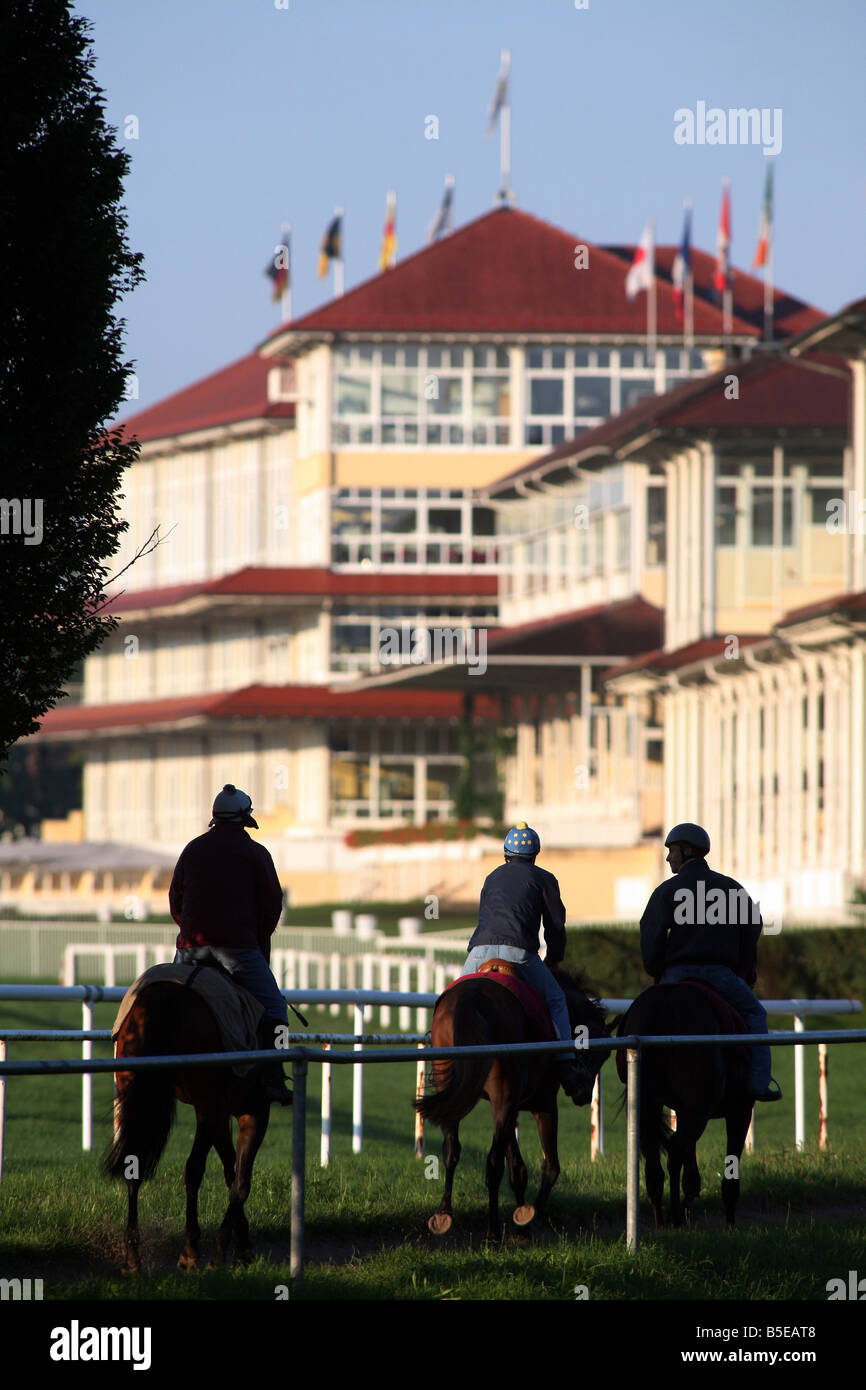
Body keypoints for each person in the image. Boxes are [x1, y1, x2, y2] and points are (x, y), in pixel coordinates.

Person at [639, 822, 781, 1102]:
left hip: (675, 976)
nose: (668, 858)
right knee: (755, 1015)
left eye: (672, 851)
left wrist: (656, 970)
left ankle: (635, 1078)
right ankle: (759, 1082)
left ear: (688, 851)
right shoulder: (731, 888)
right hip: (722, 976)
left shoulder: (667, 890)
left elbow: (650, 932)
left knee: (645, 1019)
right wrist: (746, 971)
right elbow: (752, 928)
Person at [170, 783, 291, 1105]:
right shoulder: (255, 853)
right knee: (276, 1008)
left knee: (168, 1001)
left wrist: (190, 930)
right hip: (237, 951)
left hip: (189, 950)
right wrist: (257, 938)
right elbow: (272, 905)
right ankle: (274, 1075)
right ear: (245, 819)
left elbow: (176, 900)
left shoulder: (193, 849)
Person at [462, 822, 591, 1103]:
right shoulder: (545, 878)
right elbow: (556, 925)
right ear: (534, 855)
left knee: (456, 997)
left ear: (506, 853)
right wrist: (554, 958)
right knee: (556, 999)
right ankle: (567, 1061)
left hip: (479, 952)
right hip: (519, 954)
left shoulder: (492, 876)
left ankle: (439, 1047)